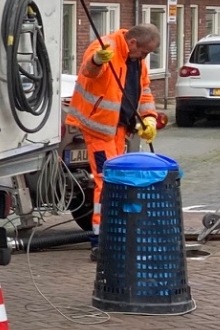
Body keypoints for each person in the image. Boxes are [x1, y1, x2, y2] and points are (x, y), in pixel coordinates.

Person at [64, 23, 161, 262]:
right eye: (145, 52)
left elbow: (144, 90)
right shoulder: (104, 46)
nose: (145, 57)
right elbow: (89, 71)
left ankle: (115, 232)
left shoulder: (136, 59)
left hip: (118, 129)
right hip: (98, 128)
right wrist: (97, 60)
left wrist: (148, 118)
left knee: (116, 179)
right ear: (133, 43)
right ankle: (101, 238)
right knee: (107, 180)